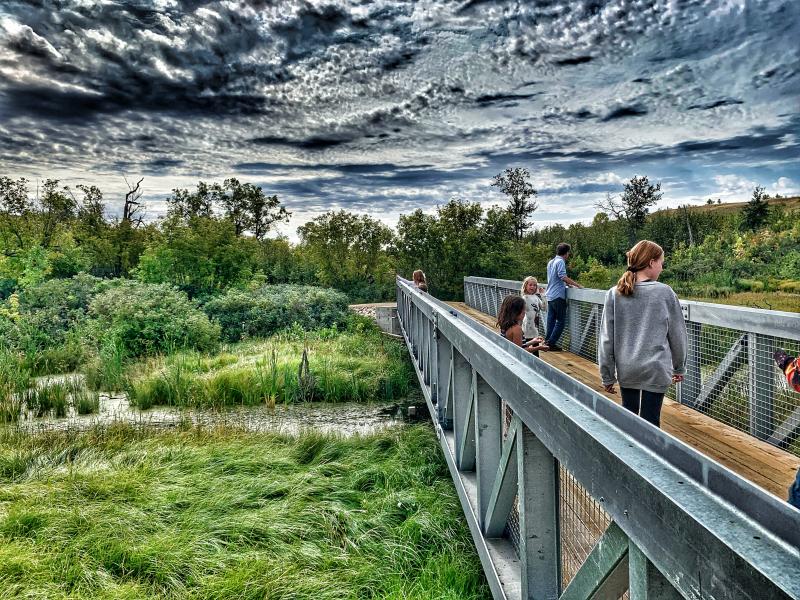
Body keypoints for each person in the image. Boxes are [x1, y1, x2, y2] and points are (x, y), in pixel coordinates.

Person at [598, 240, 687, 428]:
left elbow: (607, 339)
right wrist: (679, 367)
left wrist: (607, 375)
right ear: (651, 263)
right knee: (651, 423)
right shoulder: (665, 292)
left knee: (628, 421)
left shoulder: (614, 293)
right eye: (661, 263)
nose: (662, 268)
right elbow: (677, 334)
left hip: (627, 368)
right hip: (655, 368)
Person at [544, 243, 582, 351]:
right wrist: (577, 285)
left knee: (551, 320)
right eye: (568, 252)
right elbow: (562, 276)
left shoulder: (551, 262)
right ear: (566, 253)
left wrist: (566, 284)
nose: (568, 255)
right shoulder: (560, 261)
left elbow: (554, 278)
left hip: (550, 295)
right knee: (561, 321)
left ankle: (547, 341)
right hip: (558, 296)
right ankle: (550, 343)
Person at [520, 276, 547, 342]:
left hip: (535, 325)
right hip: (526, 326)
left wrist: (543, 295)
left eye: (534, 285)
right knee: (527, 345)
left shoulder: (536, 298)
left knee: (535, 346)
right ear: (525, 286)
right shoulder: (524, 298)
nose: (532, 287)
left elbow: (544, 308)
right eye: (530, 285)